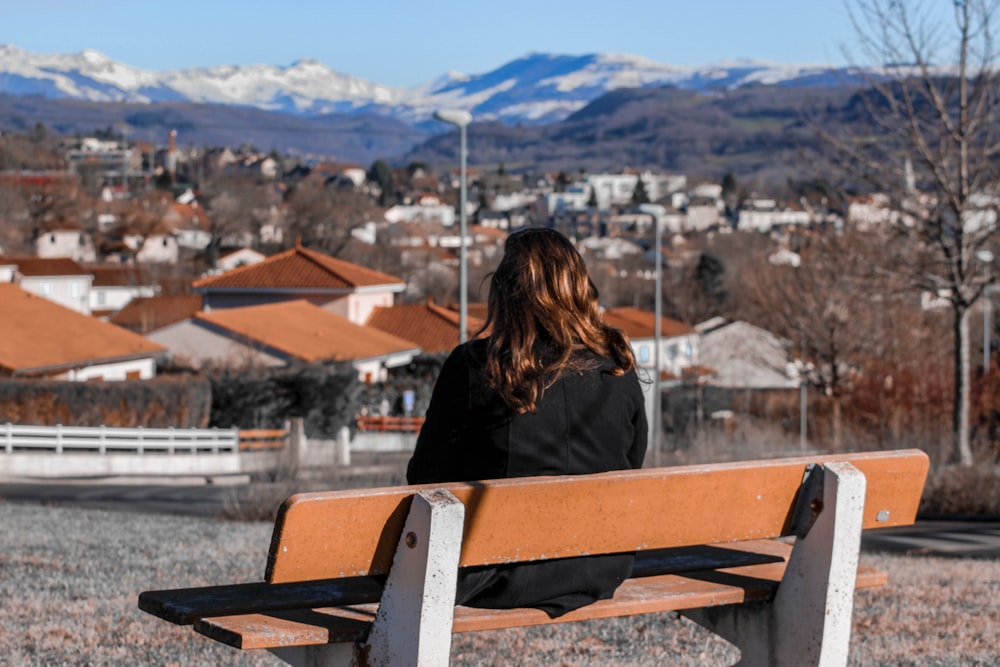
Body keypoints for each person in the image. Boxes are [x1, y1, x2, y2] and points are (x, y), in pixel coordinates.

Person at [407, 227, 647, 618]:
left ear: (504, 293)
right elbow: (632, 463)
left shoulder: (474, 367)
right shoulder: (617, 369)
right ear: (579, 289)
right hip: (599, 567)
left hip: (499, 574)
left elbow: (425, 478)